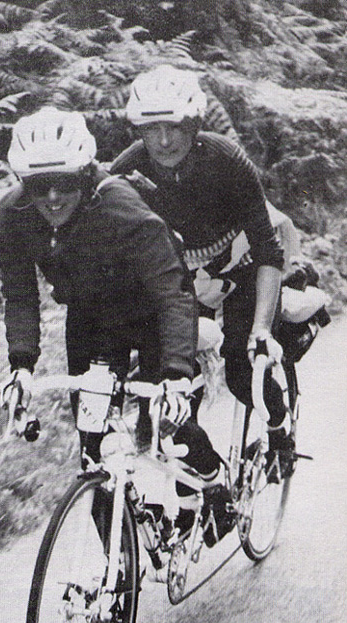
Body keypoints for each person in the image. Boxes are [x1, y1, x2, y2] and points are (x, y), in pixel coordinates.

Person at [0, 106, 221, 534]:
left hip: (154, 313)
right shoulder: (10, 215)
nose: (52, 197)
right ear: (23, 183)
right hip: (92, 321)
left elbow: (172, 293)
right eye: (39, 186)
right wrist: (21, 366)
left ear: (84, 174)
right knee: (93, 454)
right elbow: (20, 296)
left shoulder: (119, 206)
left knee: (168, 426)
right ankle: (117, 570)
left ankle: (214, 482)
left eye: (64, 183)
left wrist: (175, 374)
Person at [111, 65, 293, 461]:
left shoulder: (226, 159)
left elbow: (267, 250)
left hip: (242, 267)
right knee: (168, 397)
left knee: (243, 371)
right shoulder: (127, 168)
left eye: (174, 127)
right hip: (183, 281)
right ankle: (203, 484)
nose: (163, 141)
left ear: (194, 124)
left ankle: (280, 426)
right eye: (151, 129)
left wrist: (262, 330)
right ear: (139, 131)